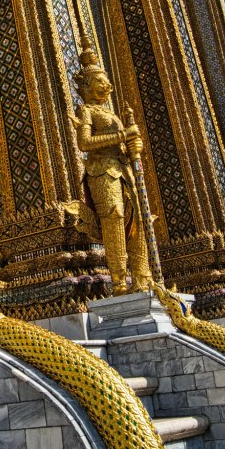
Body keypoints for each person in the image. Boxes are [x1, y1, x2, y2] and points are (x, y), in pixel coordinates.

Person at [72, 37, 151, 296]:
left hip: (123, 169)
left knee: (138, 221)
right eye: (100, 83)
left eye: (106, 82)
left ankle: (142, 278)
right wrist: (121, 136)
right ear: (86, 86)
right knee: (114, 218)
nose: (107, 87)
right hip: (101, 170)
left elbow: (127, 147)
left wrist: (133, 147)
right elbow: (84, 142)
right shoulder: (86, 111)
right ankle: (118, 281)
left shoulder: (114, 115)